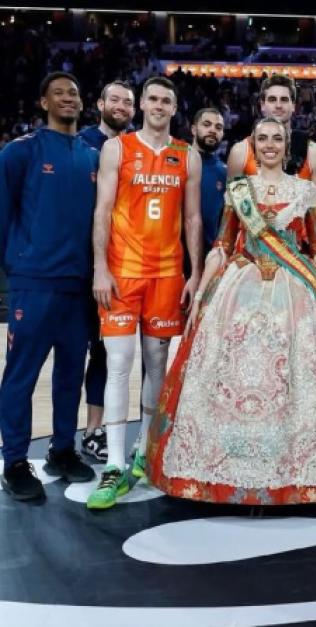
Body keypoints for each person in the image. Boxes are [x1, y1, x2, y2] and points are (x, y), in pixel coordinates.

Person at [146, 117, 316, 504]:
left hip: (295, 293)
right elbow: (222, 246)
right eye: (263, 139)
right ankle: (222, 470)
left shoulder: (306, 191)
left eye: (278, 138)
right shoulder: (238, 190)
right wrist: (204, 291)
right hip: (238, 289)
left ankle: (291, 472)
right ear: (253, 145)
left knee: (291, 379)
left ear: (287, 145)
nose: (271, 145)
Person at [87, 76, 203, 510]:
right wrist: (100, 267)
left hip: (168, 275)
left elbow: (192, 219)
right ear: (142, 106)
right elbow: (101, 211)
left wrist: (193, 272)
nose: (157, 105)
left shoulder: (185, 154)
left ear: (174, 108)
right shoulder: (118, 148)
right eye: (151, 98)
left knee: (157, 366)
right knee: (118, 365)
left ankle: (144, 451)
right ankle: (114, 463)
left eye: (165, 100)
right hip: (122, 275)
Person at [0, 72, 97, 500]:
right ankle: (15, 461)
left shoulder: (93, 155)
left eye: (73, 93)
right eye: (58, 93)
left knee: (70, 375)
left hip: (79, 286)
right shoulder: (20, 152)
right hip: (34, 282)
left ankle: (62, 449)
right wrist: (15, 269)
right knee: (21, 377)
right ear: (43, 103)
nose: (68, 98)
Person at [78, 80, 136, 462]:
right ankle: (80, 432)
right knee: (78, 355)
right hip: (81, 266)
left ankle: (96, 433)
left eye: (127, 102)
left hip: (120, 269)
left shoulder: (134, 149)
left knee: (105, 353)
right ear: (99, 103)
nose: (120, 106)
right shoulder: (81, 143)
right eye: (114, 99)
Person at [227, 74, 316, 194]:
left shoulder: (313, 152)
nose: (278, 106)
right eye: (272, 99)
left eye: (284, 99)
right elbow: (234, 206)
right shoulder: (240, 152)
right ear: (262, 105)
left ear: (293, 105)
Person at [192, 108, 227, 252]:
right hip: (172, 254)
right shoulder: (176, 161)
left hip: (209, 254)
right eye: (207, 125)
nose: (213, 130)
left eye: (218, 127)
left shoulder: (224, 172)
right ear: (194, 129)